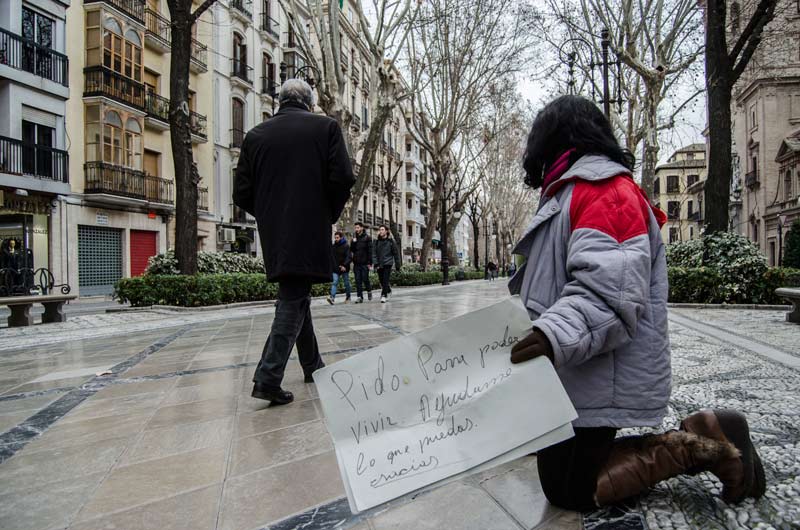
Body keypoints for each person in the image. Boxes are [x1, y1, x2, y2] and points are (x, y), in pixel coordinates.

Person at [508, 95, 765, 511]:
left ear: (550, 141)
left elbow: (609, 293)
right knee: (557, 473)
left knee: (571, 489)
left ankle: (701, 443)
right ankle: (705, 431)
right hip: (579, 369)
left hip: (598, 370)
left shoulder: (606, 193)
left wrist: (551, 334)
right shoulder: (573, 192)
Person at [233, 79, 355, 405]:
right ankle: (268, 376)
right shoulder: (325, 127)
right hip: (310, 226)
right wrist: (326, 212)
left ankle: (312, 364)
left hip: (274, 231)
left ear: (280, 100)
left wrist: (271, 214)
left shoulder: (255, 136)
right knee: (293, 295)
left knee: (295, 291)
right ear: (309, 101)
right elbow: (343, 177)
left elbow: (241, 192)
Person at [372, 224, 401, 303]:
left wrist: (398, 265)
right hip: (379, 263)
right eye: (380, 230)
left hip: (388, 263)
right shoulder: (376, 241)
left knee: (385, 279)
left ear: (386, 231)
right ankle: (388, 290)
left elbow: (396, 253)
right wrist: (375, 263)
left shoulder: (391, 241)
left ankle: (384, 295)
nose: (380, 231)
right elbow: (374, 253)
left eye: (382, 230)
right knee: (381, 280)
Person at [350, 222, 373, 303]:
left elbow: (370, 251)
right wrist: (353, 242)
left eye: (358, 228)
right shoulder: (354, 238)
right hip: (356, 263)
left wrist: (370, 263)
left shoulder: (367, 238)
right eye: (355, 228)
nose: (356, 229)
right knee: (357, 280)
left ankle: (369, 290)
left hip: (365, 263)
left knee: (365, 279)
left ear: (362, 228)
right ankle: (360, 297)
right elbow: (352, 250)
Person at [328, 231, 352, 304]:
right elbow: (332, 258)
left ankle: (348, 297)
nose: (336, 239)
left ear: (341, 237)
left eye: (337, 237)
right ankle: (332, 298)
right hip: (336, 268)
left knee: (346, 283)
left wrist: (344, 265)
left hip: (344, 268)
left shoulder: (346, 246)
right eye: (335, 238)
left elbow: (349, 257)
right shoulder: (333, 246)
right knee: (334, 282)